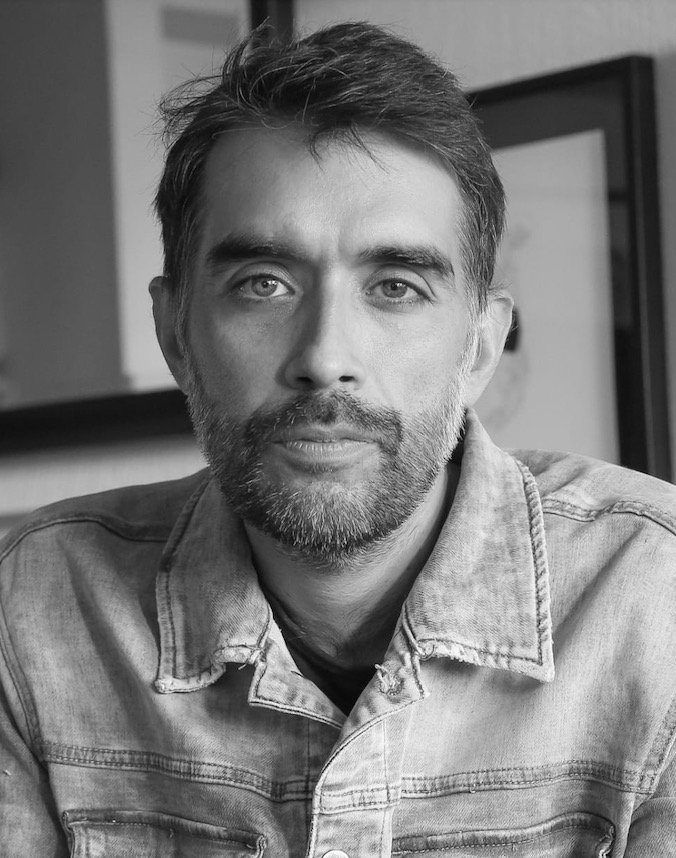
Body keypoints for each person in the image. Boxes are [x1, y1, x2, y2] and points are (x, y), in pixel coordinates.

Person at [1, 21, 674, 857]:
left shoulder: (657, 603)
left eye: (395, 287)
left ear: (479, 347)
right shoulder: (31, 608)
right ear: (175, 331)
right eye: (263, 283)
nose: (325, 358)